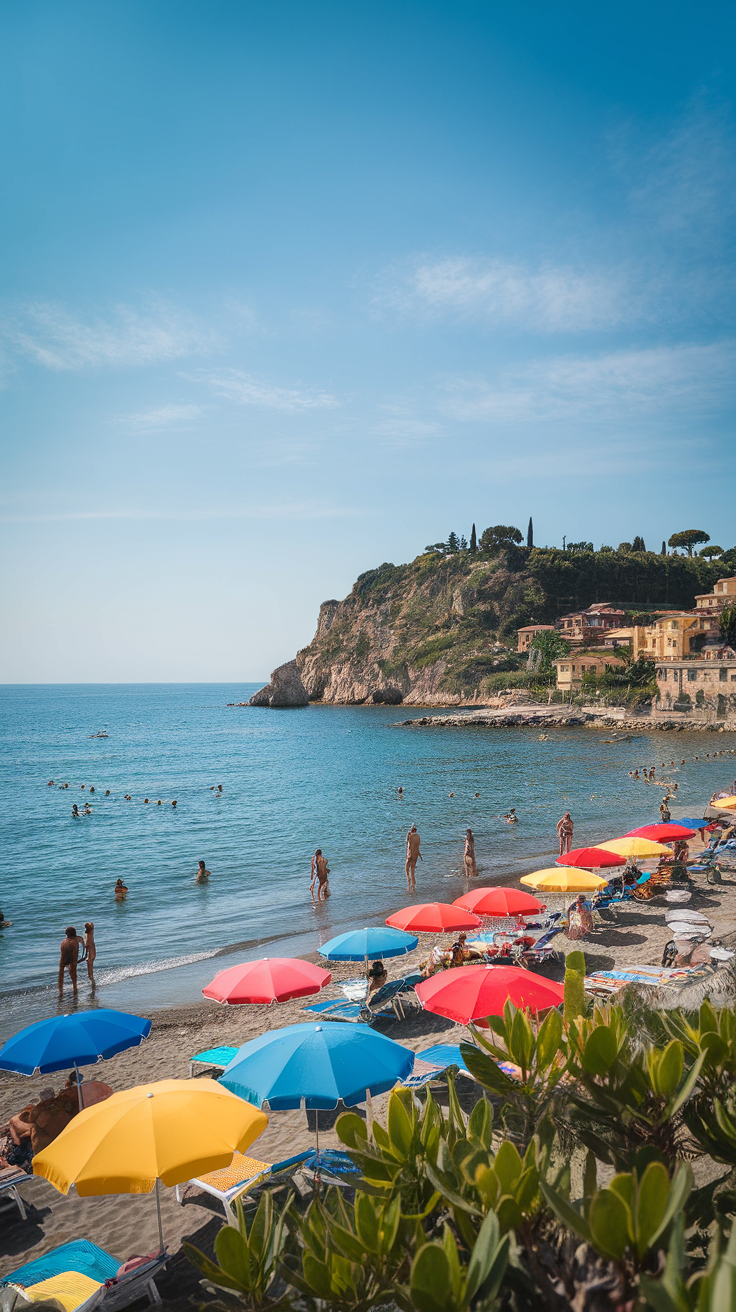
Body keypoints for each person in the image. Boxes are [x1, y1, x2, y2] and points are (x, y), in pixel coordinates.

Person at [58, 926, 80, 995]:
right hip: (71, 959)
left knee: (61, 974)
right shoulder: (75, 942)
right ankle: (75, 987)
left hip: (63, 959)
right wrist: (75, 962)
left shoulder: (63, 942)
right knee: (73, 973)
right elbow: (75, 954)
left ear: (66, 934)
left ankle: (60, 990)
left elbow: (62, 952)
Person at [405, 825, 422, 890]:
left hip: (409, 855)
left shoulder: (410, 836)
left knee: (407, 869)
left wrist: (408, 834)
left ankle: (409, 883)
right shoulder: (418, 837)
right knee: (413, 871)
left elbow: (407, 842)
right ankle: (413, 886)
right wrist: (419, 855)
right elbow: (417, 847)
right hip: (415, 855)